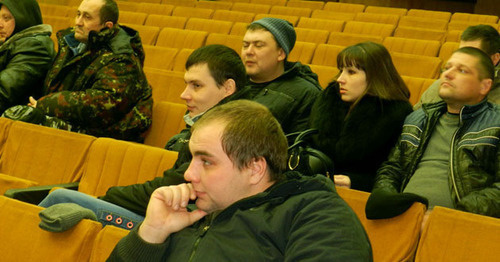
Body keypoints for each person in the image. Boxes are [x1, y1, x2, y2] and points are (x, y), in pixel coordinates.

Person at [107, 100, 372, 261]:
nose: (188, 174)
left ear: (255, 168)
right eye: (191, 160)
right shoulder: (187, 213)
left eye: (206, 161)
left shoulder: (316, 214)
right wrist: (152, 233)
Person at [39, 44, 251, 230]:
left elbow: (171, 186)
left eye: (197, 86)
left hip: (186, 228)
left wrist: (107, 197)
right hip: (172, 215)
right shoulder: (209, 123)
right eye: (186, 84)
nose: (184, 94)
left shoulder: (227, 133)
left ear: (227, 88)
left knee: (61, 199)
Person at [366, 47, 500, 220]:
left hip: (457, 226)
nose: (448, 74)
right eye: (447, 67)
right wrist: (388, 200)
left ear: (484, 86)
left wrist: (448, 216)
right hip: (402, 220)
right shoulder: (418, 118)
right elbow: (392, 168)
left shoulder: (495, 124)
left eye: (462, 70)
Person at [3, 0, 152, 142]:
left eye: (87, 17)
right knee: (16, 113)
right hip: (71, 119)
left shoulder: (122, 58)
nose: (78, 22)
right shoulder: (73, 44)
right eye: (78, 14)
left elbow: (103, 103)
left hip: (104, 133)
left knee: (21, 117)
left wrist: (46, 104)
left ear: (107, 26)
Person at [309, 42, 413, 192]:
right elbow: (308, 144)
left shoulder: (395, 114)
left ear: (375, 77)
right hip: (316, 185)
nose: (340, 79)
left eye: (351, 72)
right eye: (341, 71)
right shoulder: (328, 100)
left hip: (360, 196)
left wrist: (357, 182)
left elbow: (396, 172)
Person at [242, 17, 321, 134]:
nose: (249, 51)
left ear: (280, 54)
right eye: (245, 45)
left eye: (258, 45)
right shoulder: (230, 81)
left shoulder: (305, 93)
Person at [415, 24, 500, 109]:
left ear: (495, 59)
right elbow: (415, 116)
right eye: (462, 51)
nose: (462, 58)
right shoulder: (443, 83)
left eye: (473, 53)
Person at [0, 0, 55, 114]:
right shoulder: (9, 42)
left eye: (6, 18)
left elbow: (4, 91)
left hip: (13, 121)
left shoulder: (35, 46)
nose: (0, 24)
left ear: (23, 19)